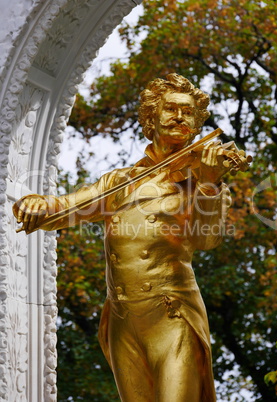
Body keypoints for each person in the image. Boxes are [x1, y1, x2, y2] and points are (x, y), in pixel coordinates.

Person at [13, 73, 235, 402]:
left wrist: (210, 182)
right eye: (170, 108)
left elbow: (208, 238)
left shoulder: (201, 178)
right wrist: (34, 203)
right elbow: (65, 208)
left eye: (188, 112)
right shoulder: (120, 181)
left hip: (172, 314)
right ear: (151, 118)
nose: (179, 116)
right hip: (123, 320)